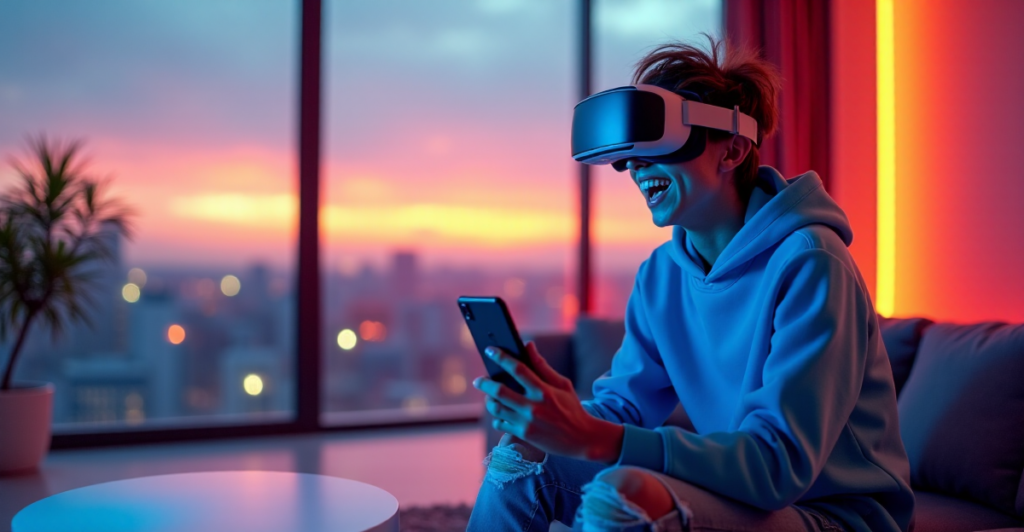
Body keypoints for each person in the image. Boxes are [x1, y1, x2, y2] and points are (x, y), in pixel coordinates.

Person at [466, 36, 914, 532]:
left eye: (655, 149)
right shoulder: (661, 275)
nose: (635, 168)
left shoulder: (812, 263)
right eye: (629, 157)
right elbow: (625, 409)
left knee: (625, 498)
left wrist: (597, 438)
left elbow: (778, 465)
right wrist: (559, 416)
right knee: (525, 458)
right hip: (744, 494)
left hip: (836, 514)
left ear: (733, 151)